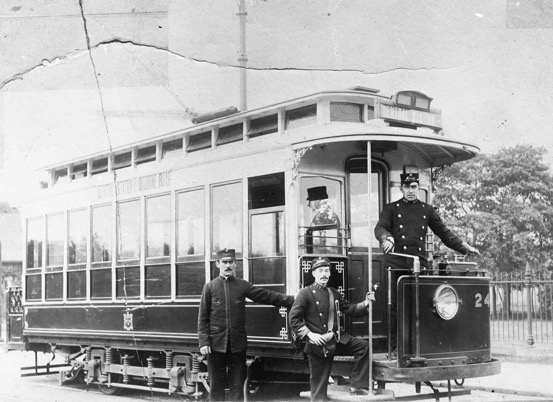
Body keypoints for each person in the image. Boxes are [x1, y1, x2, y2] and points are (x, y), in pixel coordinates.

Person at [374, 172, 480, 355]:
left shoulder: (427, 210)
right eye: (407, 187)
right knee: (395, 308)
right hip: (396, 264)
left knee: (422, 306)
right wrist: (387, 237)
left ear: (418, 188)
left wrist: (465, 247)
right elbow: (380, 227)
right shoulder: (390, 209)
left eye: (413, 187)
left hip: (419, 265)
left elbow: (444, 233)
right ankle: (395, 348)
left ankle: (419, 347)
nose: (410, 190)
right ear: (401, 188)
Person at [198, 248, 294, 401]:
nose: (228, 265)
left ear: (235, 264)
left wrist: (291, 301)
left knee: (237, 386)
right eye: (224, 262)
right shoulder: (209, 287)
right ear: (217, 264)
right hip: (215, 346)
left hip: (237, 345)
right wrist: (204, 342)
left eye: (231, 262)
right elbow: (203, 318)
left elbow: (265, 296)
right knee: (216, 387)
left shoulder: (242, 286)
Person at [289, 256, 376, 401]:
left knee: (363, 347)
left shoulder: (333, 293)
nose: (324, 274)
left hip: (337, 339)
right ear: (314, 273)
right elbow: (294, 319)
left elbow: (351, 309)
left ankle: (357, 385)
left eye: (327, 271)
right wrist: (310, 335)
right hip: (318, 344)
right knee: (319, 389)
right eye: (321, 271)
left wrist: (366, 303)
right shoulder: (305, 293)